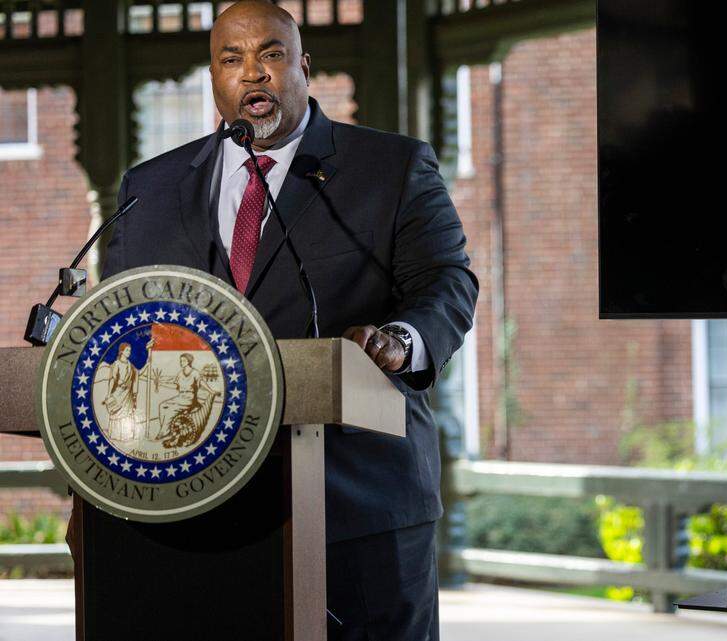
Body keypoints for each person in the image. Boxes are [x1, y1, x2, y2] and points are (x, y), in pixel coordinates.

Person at [101, 1, 479, 638]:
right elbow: (123, 319)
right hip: (191, 511)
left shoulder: (390, 168)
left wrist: (402, 341)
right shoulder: (151, 187)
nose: (254, 73)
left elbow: (448, 281)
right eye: (232, 59)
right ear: (214, 77)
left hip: (357, 506)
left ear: (304, 67)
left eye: (271, 54)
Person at [102, 343, 139, 441]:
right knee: (116, 412)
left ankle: (126, 435)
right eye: (127, 350)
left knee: (127, 413)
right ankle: (116, 435)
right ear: (121, 351)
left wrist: (147, 364)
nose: (129, 352)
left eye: (130, 351)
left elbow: (137, 375)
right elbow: (112, 379)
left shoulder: (131, 366)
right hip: (118, 393)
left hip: (127, 394)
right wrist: (109, 393)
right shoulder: (116, 364)